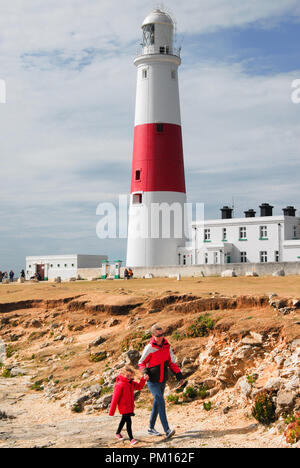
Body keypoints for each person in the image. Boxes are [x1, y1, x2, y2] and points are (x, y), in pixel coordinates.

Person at [138, 324, 185, 439]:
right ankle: (167, 430)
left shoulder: (167, 346)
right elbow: (141, 362)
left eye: (162, 335)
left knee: (157, 403)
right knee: (161, 401)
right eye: (158, 335)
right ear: (153, 335)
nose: (161, 337)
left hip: (163, 380)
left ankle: (150, 428)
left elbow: (172, 363)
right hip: (152, 381)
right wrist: (144, 373)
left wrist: (179, 375)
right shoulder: (149, 348)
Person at [109, 365, 146, 446]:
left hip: (129, 406)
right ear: (123, 374)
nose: (129, 377)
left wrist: (143, 379)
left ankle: (117, 433)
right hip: (123, 407)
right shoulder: (119, 384)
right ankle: (131, 439)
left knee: (123, 420)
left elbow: (139, 387)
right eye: (127, 375)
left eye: (130, 375)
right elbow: (115, 398)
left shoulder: (131, 383)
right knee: (128, 421)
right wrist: (112, 411)